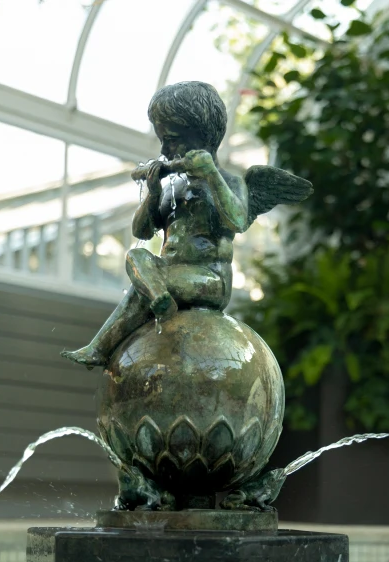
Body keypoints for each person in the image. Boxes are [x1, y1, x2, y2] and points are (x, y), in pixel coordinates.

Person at [61, 81, 248, 368]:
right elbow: (141, 231)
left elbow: (238, 220)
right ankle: (158, 298)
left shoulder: (229, 183)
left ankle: (103, 344)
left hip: (209, 280)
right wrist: (154, 192)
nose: (164, 148)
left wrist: (211, 174)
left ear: (202, 136)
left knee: (144, 288)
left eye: (171, 138)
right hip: (168, 276)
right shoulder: (175, 188)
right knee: (136, 256)